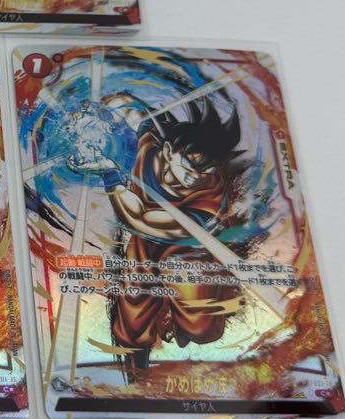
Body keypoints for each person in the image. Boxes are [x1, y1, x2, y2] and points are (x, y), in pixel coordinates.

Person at [75, 98, 246, 374]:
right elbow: (132, 108)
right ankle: (137, 370)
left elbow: (140, 218)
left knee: (200, 326)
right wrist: (94, 111)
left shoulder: (210, 196)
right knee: (133, 311)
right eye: (188, 166)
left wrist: (110, 175)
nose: (194, 177)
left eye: (205, 170)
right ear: (168, 151)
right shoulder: (150, 142)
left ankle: (190, 325)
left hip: (186, 249)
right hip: (144, 244)